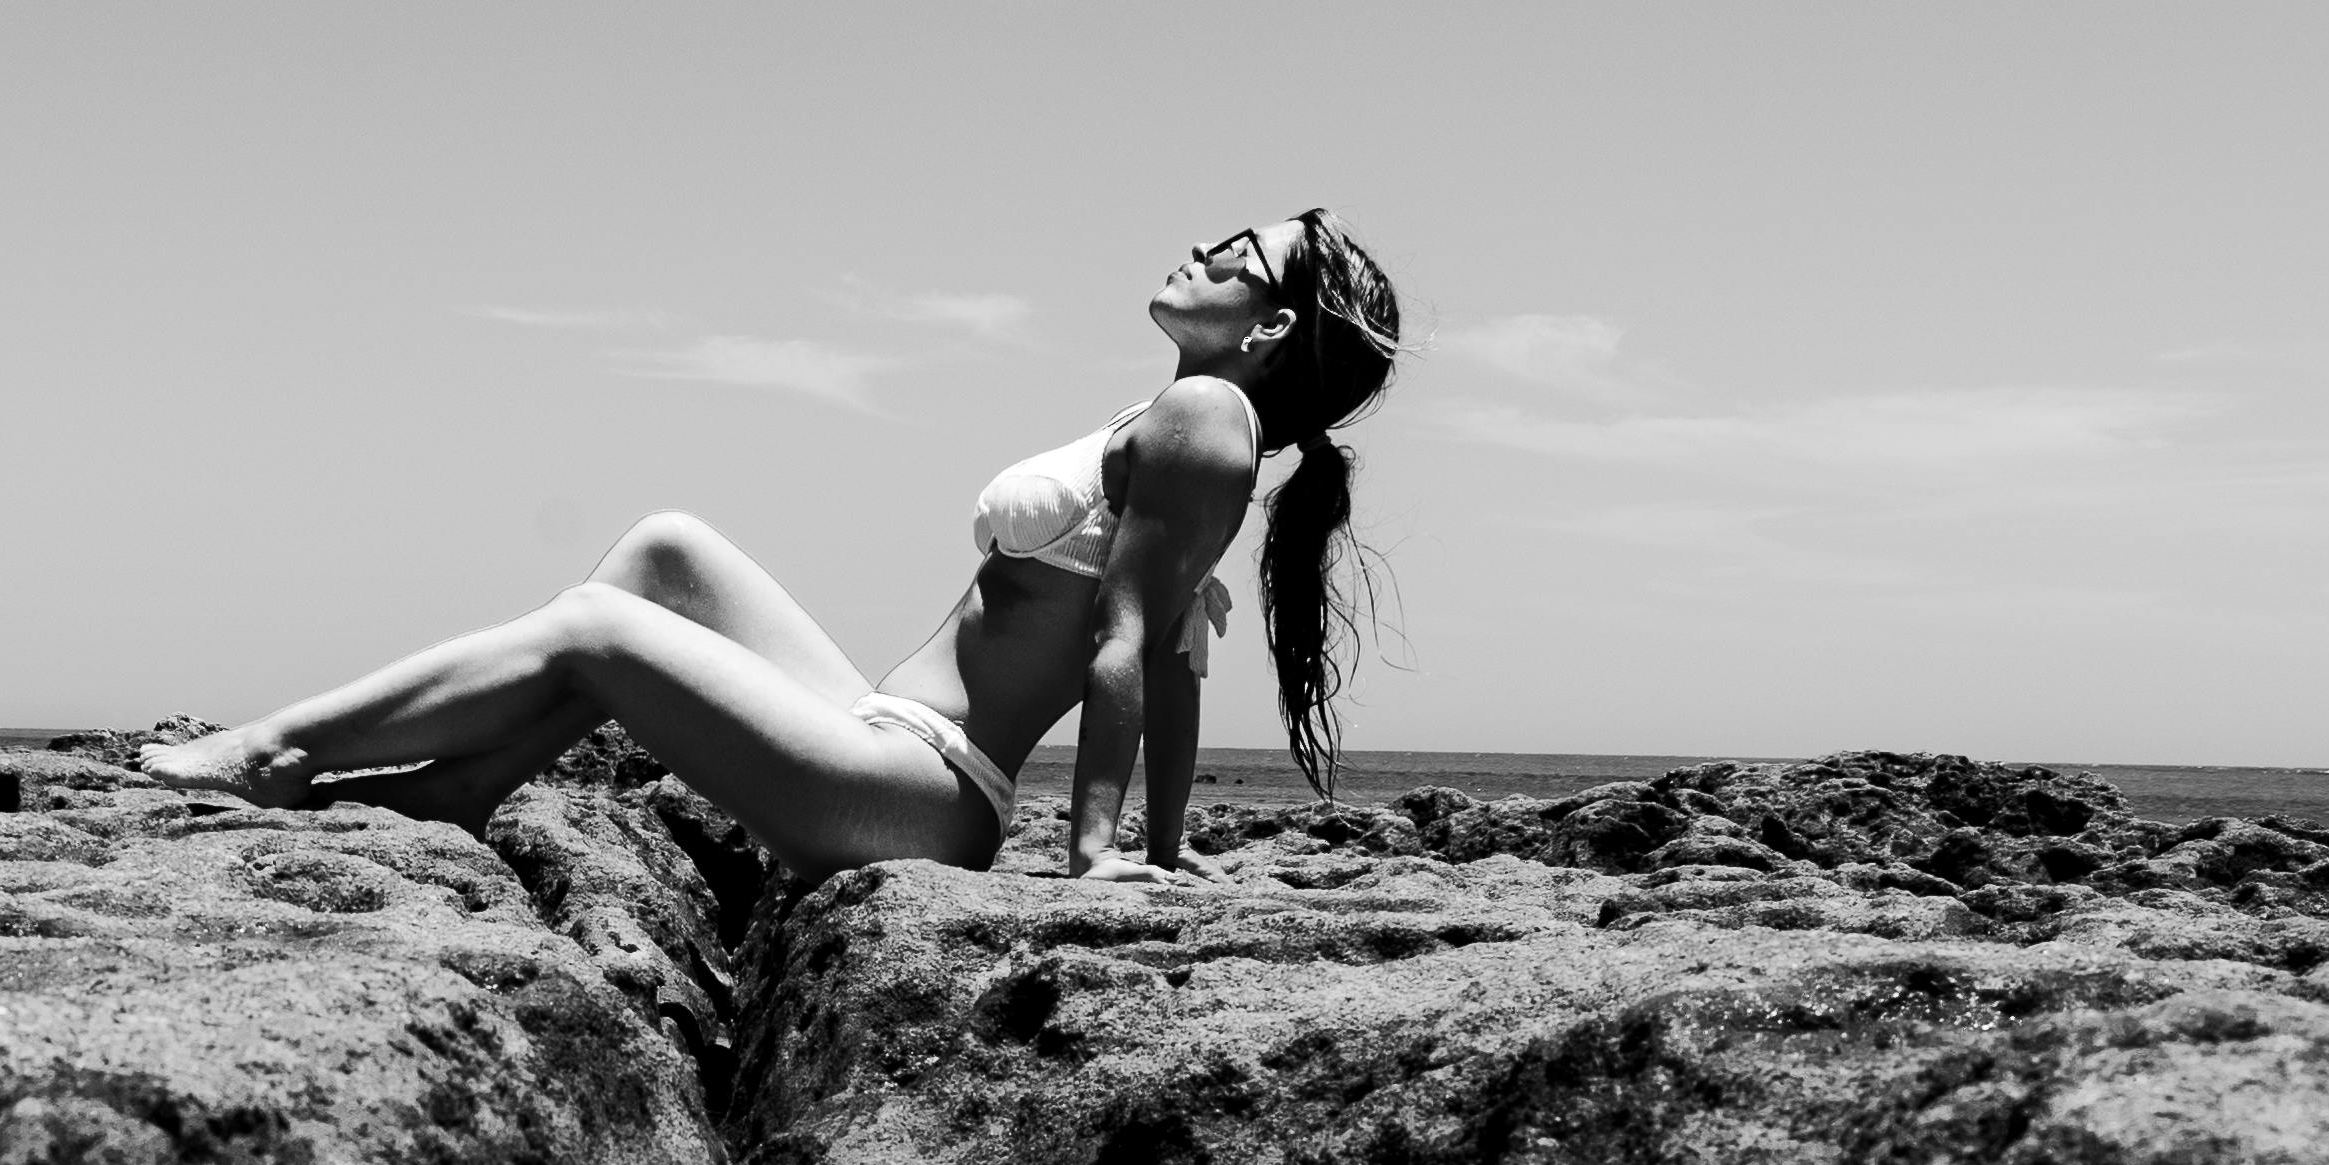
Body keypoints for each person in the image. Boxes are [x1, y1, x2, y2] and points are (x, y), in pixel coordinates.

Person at [140, 210, 1403, 884]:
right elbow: (1176, 658)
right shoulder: (1184, 419)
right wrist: (1164, 849)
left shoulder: (1203, 418)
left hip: (918, 796)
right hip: (883, 737)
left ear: (1270, 325)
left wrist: (1098, 861)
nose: (1202, 244)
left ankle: (275, 750)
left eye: (1237, 254)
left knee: (597, 630)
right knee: (665, 552)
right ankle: (462, 785)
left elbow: (1133, 647)